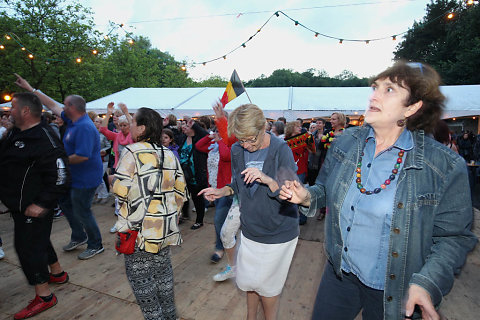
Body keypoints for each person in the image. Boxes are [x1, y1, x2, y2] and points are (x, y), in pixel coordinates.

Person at [279, 61, 478, 320]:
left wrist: (427, 282)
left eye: (390, 90)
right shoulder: (347, 142)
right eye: (375, 87)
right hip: (340, 273)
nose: (374, 95)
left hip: (396, 289)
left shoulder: (443, 166)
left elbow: (454, 238)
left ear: (413, 107)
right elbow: (325, 190)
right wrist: (307, 196)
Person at [199, 104, 299, 320]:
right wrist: (221, 190)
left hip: (278, 231)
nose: (246, 145)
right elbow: (238, 183)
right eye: (241, 139)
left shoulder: (280, 150)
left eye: (251, 139)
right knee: (250, 282)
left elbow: (293, 193)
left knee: (268, 288)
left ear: (264, 127)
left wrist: (268, 180)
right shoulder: (238, 150)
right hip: (251, 228)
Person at [14, 73, 105, 260]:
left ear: (73, 108)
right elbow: (52, 105)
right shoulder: (73, 120)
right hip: (73, 175)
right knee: (65, 202)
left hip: (86, 179)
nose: (62, 107)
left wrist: (57, 162)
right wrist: (30, 89)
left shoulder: (85, 127)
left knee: (82, 210)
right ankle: (79, 236)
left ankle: (96, 244)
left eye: (66, 104)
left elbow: (82, 156)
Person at [0, 92, 71, 319]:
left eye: (11, 107)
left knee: (28, 248)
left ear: (25, 111)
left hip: (34, 204)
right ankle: (57, 273)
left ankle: (44, 296)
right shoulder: (15, 133)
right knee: (38, 239)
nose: (7, 111)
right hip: (19, 204)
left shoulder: (44, 138)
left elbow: (61, 174)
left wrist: (42, 204)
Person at [112, 107, 187, 320]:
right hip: (165, 229)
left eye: (133, 121)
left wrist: (113, 182)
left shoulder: (133, 152)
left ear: (142, 128)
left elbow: (121, 190)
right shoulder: (169, 154)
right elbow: (180, 191)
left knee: (143, 285)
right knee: (163, 278)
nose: (130, 124)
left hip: (140, 232)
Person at [178, 118, 208, 229]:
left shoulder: (199, 139)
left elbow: (206, 135)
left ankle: (199, 220)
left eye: (187, 126)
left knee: (197, 198)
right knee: (184, 195)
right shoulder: (182, 139)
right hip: (184, 173)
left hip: (196, 173)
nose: (184, 127)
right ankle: (185, 215)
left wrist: (194, 125)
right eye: (184, 125)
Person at [93, 116, 112, 204]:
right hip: (94, 159)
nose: (95, 123)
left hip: (103, 159)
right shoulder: (92, 133)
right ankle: (99, 195)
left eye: (98, 121)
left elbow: (109, 145)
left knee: (99, 177)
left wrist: (103, 151)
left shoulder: (104, 134)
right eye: (95, 121)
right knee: (96, 177)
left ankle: (104, 195)